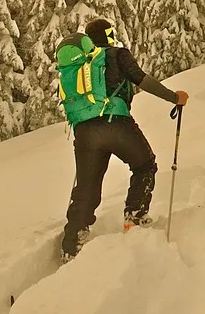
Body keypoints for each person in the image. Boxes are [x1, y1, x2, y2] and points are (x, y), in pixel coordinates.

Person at [59, 18, 188, 262]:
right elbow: (141, 79)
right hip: (116, 124)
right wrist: (174, 97)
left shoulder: (81, 65)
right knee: (145, 165)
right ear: (107, 35)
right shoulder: (117, 55)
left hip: (85, 131)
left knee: (87, 186)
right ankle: (135, 216)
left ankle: (71, 243)